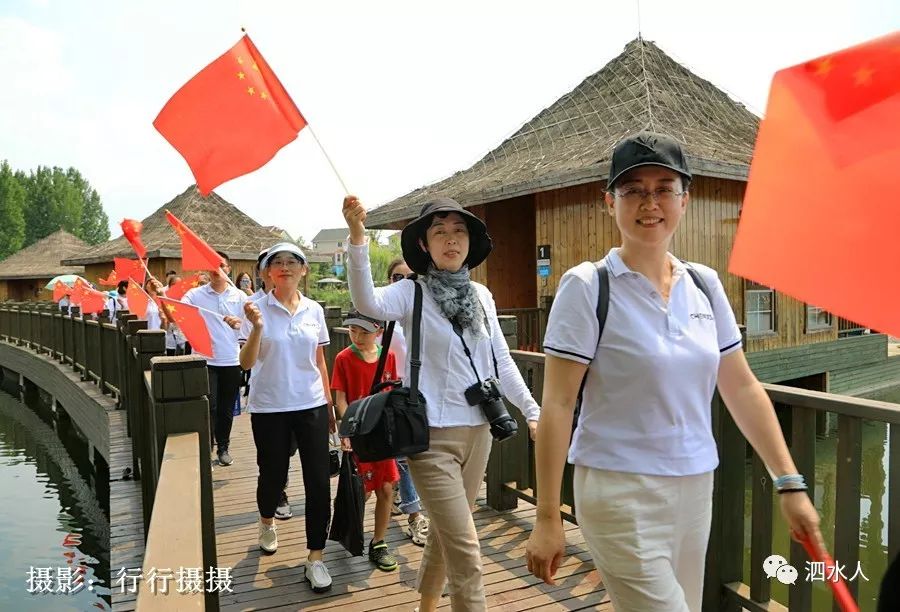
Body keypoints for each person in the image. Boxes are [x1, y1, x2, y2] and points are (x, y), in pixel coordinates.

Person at [524, 131, 824, 612]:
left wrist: (789, 482)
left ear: (686, 199)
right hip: (619, 490)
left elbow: (742, 386)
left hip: (694, 487)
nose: (650, 202)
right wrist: (546, 515)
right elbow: (558, 404)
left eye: (664, 187)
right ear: (609, 202)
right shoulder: (587, 286)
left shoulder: (704, 284)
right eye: (633, 190)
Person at [343, 195, 540, 612]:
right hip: (429, 438)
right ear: (425, 246)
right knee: (467, 548)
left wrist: (532, 410)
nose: (450, 240)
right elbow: (366, 302)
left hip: (479, 432)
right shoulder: (410, 292)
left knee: (447, 534)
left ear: (469, 242)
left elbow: (500, 361)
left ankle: (426, 606)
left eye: (459, 231)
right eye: (439, 232)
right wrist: (359, 238)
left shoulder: (482, 296)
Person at [240, 242, 335, 594]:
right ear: (266, 272)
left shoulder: (314, 310)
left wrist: (328, 404)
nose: (285, 267)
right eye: (276, 262)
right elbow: (246, 363)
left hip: (310, 404)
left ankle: (316, 557)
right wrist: (256, 329)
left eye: (293, 262)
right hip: (269, 406)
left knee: (318, 481)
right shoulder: (254, 308)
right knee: (273, 476)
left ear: (304, 270)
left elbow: (319, 360)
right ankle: (267, 521)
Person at [332, 310, 402, 571]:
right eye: (353, 330)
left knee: (386, 488)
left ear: (379, 332)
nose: (358, 336)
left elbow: (392, 392)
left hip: (383, 434)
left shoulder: (389, 356)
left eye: (364, 332)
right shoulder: (344, 358)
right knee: (362, 489)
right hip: (359, 433)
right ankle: (352, 532)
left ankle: (379, 541)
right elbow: (341, 398)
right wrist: (346, 430)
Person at [181, 251, 247, 467]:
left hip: (230, 360)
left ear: (228, 269)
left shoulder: (239, 297)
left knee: (226, 408)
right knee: (210, 406)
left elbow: (252, 326)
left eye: (221, 265)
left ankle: (224, 447)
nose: (216, 270)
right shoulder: (196, 294)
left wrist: (239, 323)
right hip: (205, 359)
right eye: (211, 265)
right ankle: (206, 446)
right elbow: (180, 309)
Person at [383, 257, 430, 546]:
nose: (402, 283)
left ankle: (413, 512)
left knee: (405, 455)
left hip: (412, 393)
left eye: (409, 277)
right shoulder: (381, 312)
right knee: (398, 455)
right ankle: (410, 511)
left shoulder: (422, 312)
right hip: (384, 391)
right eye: (396, 278)